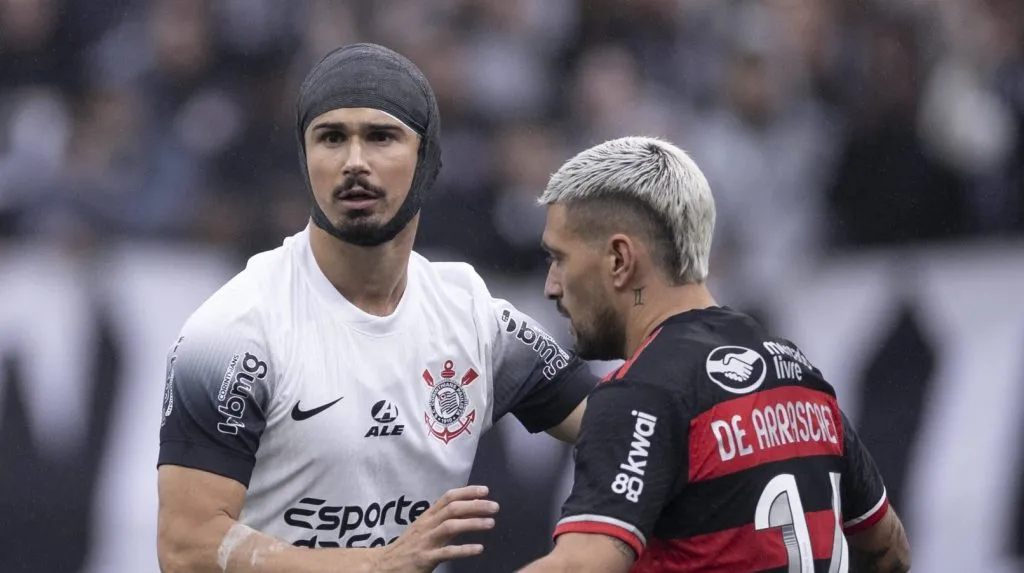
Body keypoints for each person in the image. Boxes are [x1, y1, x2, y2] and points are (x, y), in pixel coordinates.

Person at [156, 43, 595, 573]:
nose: (354, 162)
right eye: (331, 137)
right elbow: (186, 547)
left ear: (427, 158)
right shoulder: (234, 332)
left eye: (381, 136)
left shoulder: (473, 317)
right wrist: (375, 565)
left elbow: (616, 427)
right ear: (306, 158)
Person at [517, 136, 912, 572]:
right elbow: (889, 546)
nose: (551, 285)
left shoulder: (640, 393)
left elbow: (580, 567)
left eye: (560, 258)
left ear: (618, 259)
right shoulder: (799, 374)